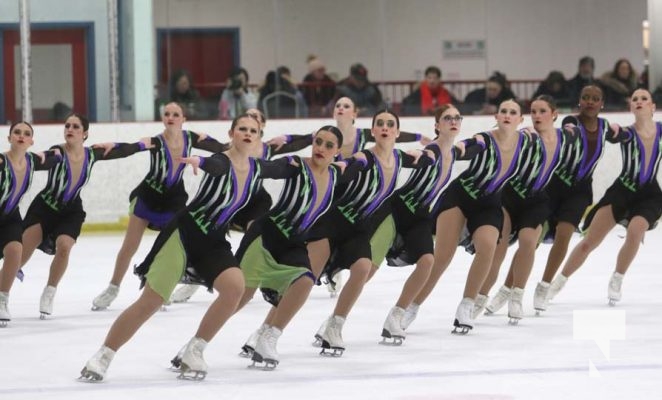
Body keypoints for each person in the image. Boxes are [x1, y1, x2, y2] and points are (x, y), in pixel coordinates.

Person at [79, 114, 299, 382]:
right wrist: (199, 161)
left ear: (259, 136)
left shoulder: (258, 168)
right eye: (242, 128)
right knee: (152, 300)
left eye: (253, 130)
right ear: (231, 133)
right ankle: (104, 355)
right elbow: (214, 164)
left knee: (234, 287)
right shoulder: (221, 160)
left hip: (214, 240)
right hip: (185, 233)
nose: (248, 133)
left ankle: (194, 349)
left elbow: (284, 169)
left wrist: (306, 162)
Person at [227, 126, 363, 369]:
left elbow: (361, 165)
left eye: (329, 145)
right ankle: (198, 342)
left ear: (337, 151)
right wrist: (243, 162)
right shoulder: (296, 165)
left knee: (304, 281)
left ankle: (268, 338)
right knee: (240, 296)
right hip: (266, 235)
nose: (321, 148)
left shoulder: (335, 174)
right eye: (318, 142)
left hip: (293, 242)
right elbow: (271, 168)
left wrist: (364, 158)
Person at [308, 109, 434, 356]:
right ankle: (265, 330)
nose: (385, 127)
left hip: (358, 228)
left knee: (363, 268)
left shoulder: (399, 158)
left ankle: (334, 326)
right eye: (380, 124)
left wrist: (424, 152)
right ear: (373, 131)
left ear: (397, 132)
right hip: (333, 222)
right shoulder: (364, 158)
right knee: (303, 280)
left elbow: (429, 160)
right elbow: (344, 167)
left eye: (390, 124)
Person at [404, 99, 531, 334]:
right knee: (442, 258)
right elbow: (464, 147)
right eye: (503, 111)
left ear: (520, 120)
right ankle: (411, 306)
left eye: (513, 112)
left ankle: (467, 305)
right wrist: (444, 149)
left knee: (487, 248)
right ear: (496, 116)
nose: (507, 115)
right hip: (461, 197)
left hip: (489, 204)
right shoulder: (485, 139)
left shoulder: (526, 141)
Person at [168, 108, 315, 304]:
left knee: (257, 237)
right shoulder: (229, 149)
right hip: (227, 198)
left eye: (255, 119)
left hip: (254, 200)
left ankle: (261, 280)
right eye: (246, 118)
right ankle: (193, 281)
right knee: (207, 237)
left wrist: (306, 137)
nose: (250, 123)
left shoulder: (269, 149)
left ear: (261, 127)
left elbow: (298, 146)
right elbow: (214, 159)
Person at [91, 102, 227, 311]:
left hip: (174, 200)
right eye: (167, 114)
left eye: (175, 114)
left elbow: (221, 149)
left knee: (170, 248)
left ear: (183, 119)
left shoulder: (193, 138)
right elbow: (131, 148)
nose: (171, 117)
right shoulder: (155, 141)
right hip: (149, 196)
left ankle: (161, 290)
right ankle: (113, 288)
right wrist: (113, 147)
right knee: (129, 246)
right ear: (163, 118)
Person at [16, 113, 153, 319]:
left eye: (75, 127)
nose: (69, 129)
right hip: (45, 207)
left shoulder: (93, 154)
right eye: (67, 126)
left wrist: (144, 145)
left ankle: (49, 292)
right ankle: (3, 295)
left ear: (85, 133)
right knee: (19, 255)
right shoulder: (58, 152)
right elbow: (38, 161)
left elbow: (123, 151)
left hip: (71, 211)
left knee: (64, 247)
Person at [548, 89, 660, 306]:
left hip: (650, 196)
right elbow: (607, 132)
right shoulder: (626, 132)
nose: (639, 101)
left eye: (644, 98)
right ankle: (558, 282)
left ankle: (617, 278)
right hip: (622, 191)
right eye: (634, 99)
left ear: (653, 107)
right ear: (630, 107)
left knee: (635, 232)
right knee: (588, 243)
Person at [380, 105, 482, 343]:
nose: (453, 121)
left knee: (427, 261)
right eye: (447, 118)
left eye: (457, 118)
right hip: (398, 210)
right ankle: (335, 320)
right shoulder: (432, 151)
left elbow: (478, 145)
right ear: (437, 125)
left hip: (420, 216)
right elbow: (415, 158)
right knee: (368, 267)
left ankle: (397, 315)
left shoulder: (453, 152)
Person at [475, 95, 577, 322]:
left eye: (542, 111)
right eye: (533, 111)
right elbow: (506, 136)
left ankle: (515, 296)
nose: (537, 116)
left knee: (528, 242)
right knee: (498, 250)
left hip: (537, 201)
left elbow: (577, 127)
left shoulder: (564, 137)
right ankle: (479, 297)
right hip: (510, 197)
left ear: (554, 115)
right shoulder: (526, 136)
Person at [532, 85, 630, 313]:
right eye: (585, 97)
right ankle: (510, 287)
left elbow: (626, 136)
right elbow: (567, 131)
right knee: (532, 237)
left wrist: (622, 130)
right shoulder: (571, 122)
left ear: (602, 103)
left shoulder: (605, 126)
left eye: (595, 98)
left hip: (580, 192)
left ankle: (544, 285)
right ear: (579, 100)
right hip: (555, 185)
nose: (590, 102)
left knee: (565, 234)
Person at [0, 122, 61, 326]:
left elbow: (59, 157)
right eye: (16, 132)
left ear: (31, 141)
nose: (21, 136)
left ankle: (2, 299)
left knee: (16, 251)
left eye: (26, 134)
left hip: (10, 217)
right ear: (9, 138)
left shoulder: (33, 161)